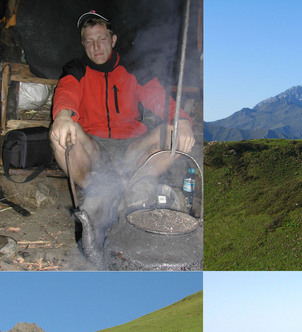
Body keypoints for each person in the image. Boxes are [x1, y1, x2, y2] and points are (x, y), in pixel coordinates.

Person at [49, 10, 195, 243]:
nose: (96, 47)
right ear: (83, 44)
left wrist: (184, 120)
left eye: (102, 39)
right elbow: (66, 92)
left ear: (113, 39)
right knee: (61, 136)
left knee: (173, 132)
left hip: (131, 146)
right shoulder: (76, 69)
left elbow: (159, 98)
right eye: (90, 41)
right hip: (93, 147)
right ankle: (94, 191)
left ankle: (138, 188)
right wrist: (63, 115)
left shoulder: (133, 68)